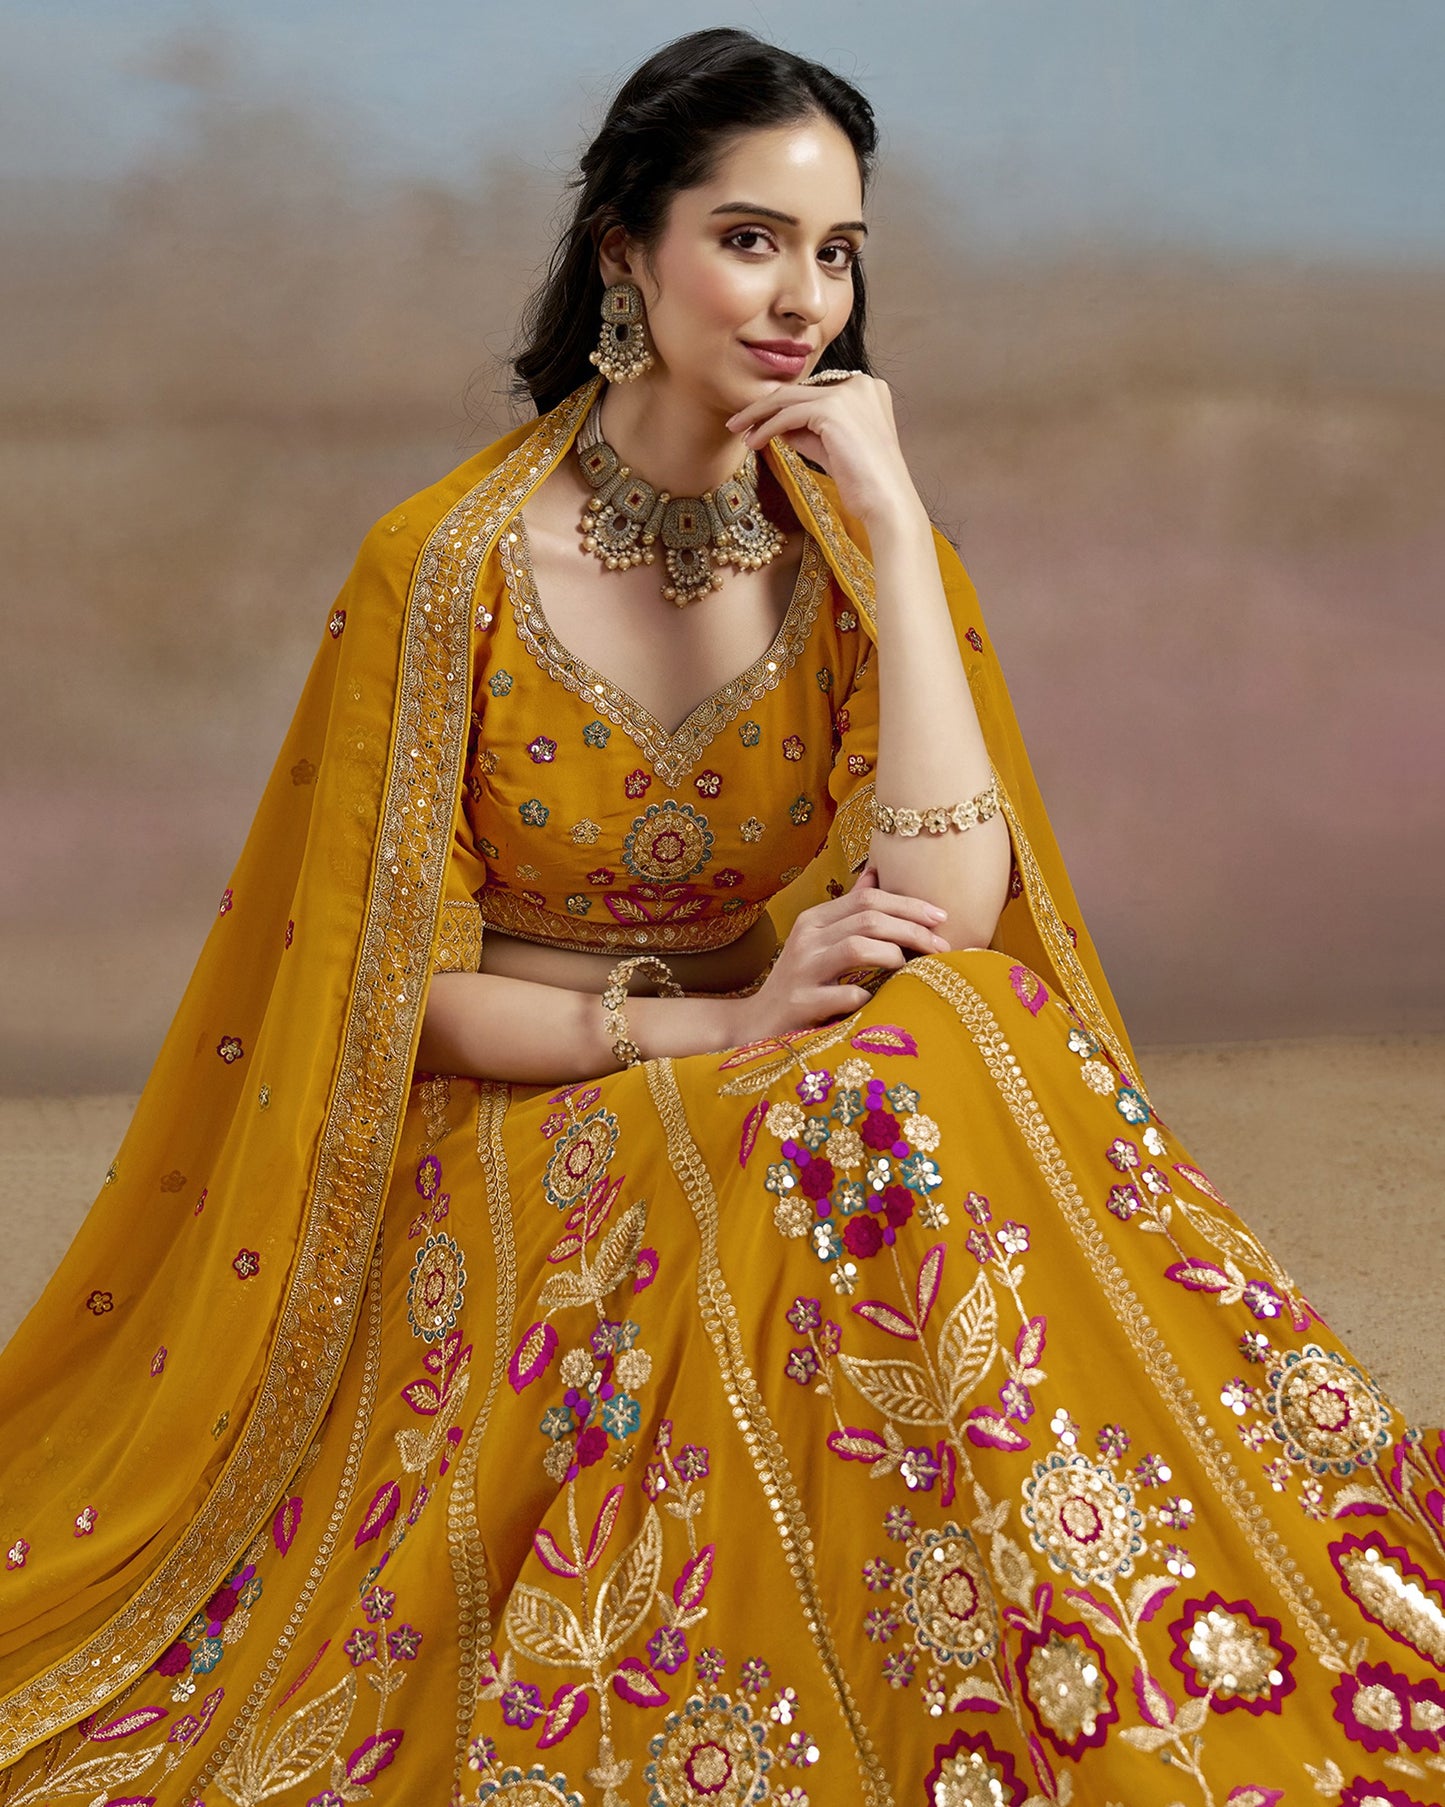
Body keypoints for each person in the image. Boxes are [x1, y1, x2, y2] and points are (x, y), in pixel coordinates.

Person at [1, 26, 1441, 1807]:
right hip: (525, 1111)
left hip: (796, 1097)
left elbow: (945, 913)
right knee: (872, 1094)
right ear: (625, 248)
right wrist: (712, 1026)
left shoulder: (840, 550)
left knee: (961, 1021)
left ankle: (1055, 1648)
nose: (801, 299)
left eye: (835, 253)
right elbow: (391, 998)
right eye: (748, 239)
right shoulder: (446, 570)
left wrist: (894, 537)